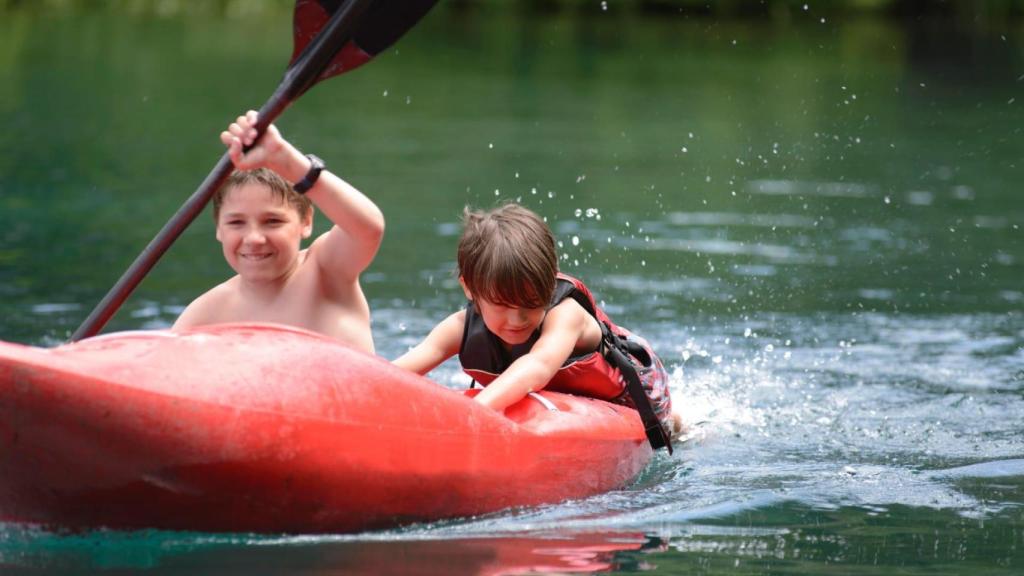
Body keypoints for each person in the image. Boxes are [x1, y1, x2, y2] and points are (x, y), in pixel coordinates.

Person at [393, 203, 681, 448]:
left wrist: (472, 413)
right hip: (564, 396)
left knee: (675, 428)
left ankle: (683, 420)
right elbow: (396, 373)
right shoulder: (458, 329)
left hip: (633, 389)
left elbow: (539, 365)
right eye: (503, 305)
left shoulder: (567, 316)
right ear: (469, 288)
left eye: (532, 304)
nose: (517, 320)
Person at [173, 110, 383, 353]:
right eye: (236, 223)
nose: (253, 238)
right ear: (218, 228)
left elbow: (368, 229)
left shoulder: (327, 269)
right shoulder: (205, 316)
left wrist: (288, 162)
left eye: (272, 221)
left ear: (306, 221)